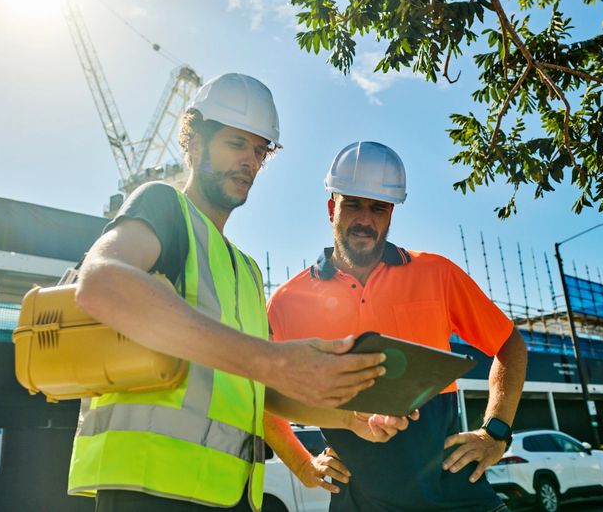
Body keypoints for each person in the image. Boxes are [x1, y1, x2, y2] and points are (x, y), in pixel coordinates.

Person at [67, 77, 412, 512]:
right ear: (193, 143)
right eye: (236, 143)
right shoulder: (164, 207)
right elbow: (99, 282)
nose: (250, 160)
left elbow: (254, 392)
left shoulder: (247, 271)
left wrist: (349, 418)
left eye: (259, 150)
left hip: (231, 495)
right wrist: (275, 360)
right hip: (150, 488)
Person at [265, 141, 528, 511]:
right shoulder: (288, 301)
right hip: (357, 502)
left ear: (391, 214)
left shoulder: (437, 273)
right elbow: (260, 394)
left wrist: (496, 432)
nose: (365, 219)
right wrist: (301, 462)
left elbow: (510, 345)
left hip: (457, 497)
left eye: (378, 207)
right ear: (331, 208)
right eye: (352, 204)